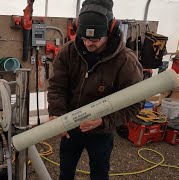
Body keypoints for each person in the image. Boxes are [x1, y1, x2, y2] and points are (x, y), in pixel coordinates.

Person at [47, 0, 143, 179]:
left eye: (95, 39)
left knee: (99, 173)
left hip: (101, 130)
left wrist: (104, 121)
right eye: (84, 38)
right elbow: (57, 87)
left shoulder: (126, 62)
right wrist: (57, 113)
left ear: (111, 30)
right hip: (70, 124)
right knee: (65, 171)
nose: (89, 44)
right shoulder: (68, 52)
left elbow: (134, 104)